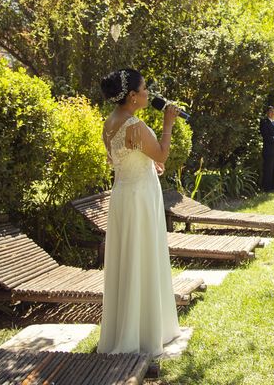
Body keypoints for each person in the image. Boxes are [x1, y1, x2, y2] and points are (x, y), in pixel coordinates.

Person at [98, 68, 180, 356]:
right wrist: (168, 123)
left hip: (123, 196)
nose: (149, 93)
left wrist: (147, 163)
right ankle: (144, 333)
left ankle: (130, 327)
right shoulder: (136, 126)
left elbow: (117, 158)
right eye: (145, 88)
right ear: (132, 96)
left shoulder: (110, 122)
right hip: (141, 198)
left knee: (128, 258)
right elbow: (161, 153)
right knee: (143, 255)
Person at [259, 105, 274, 192]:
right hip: (269, 150)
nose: (273, 112)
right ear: (267, 113)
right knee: (268, 169)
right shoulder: (264, 122)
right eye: (270, 111)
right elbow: (265, 136)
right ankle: (267, 188)